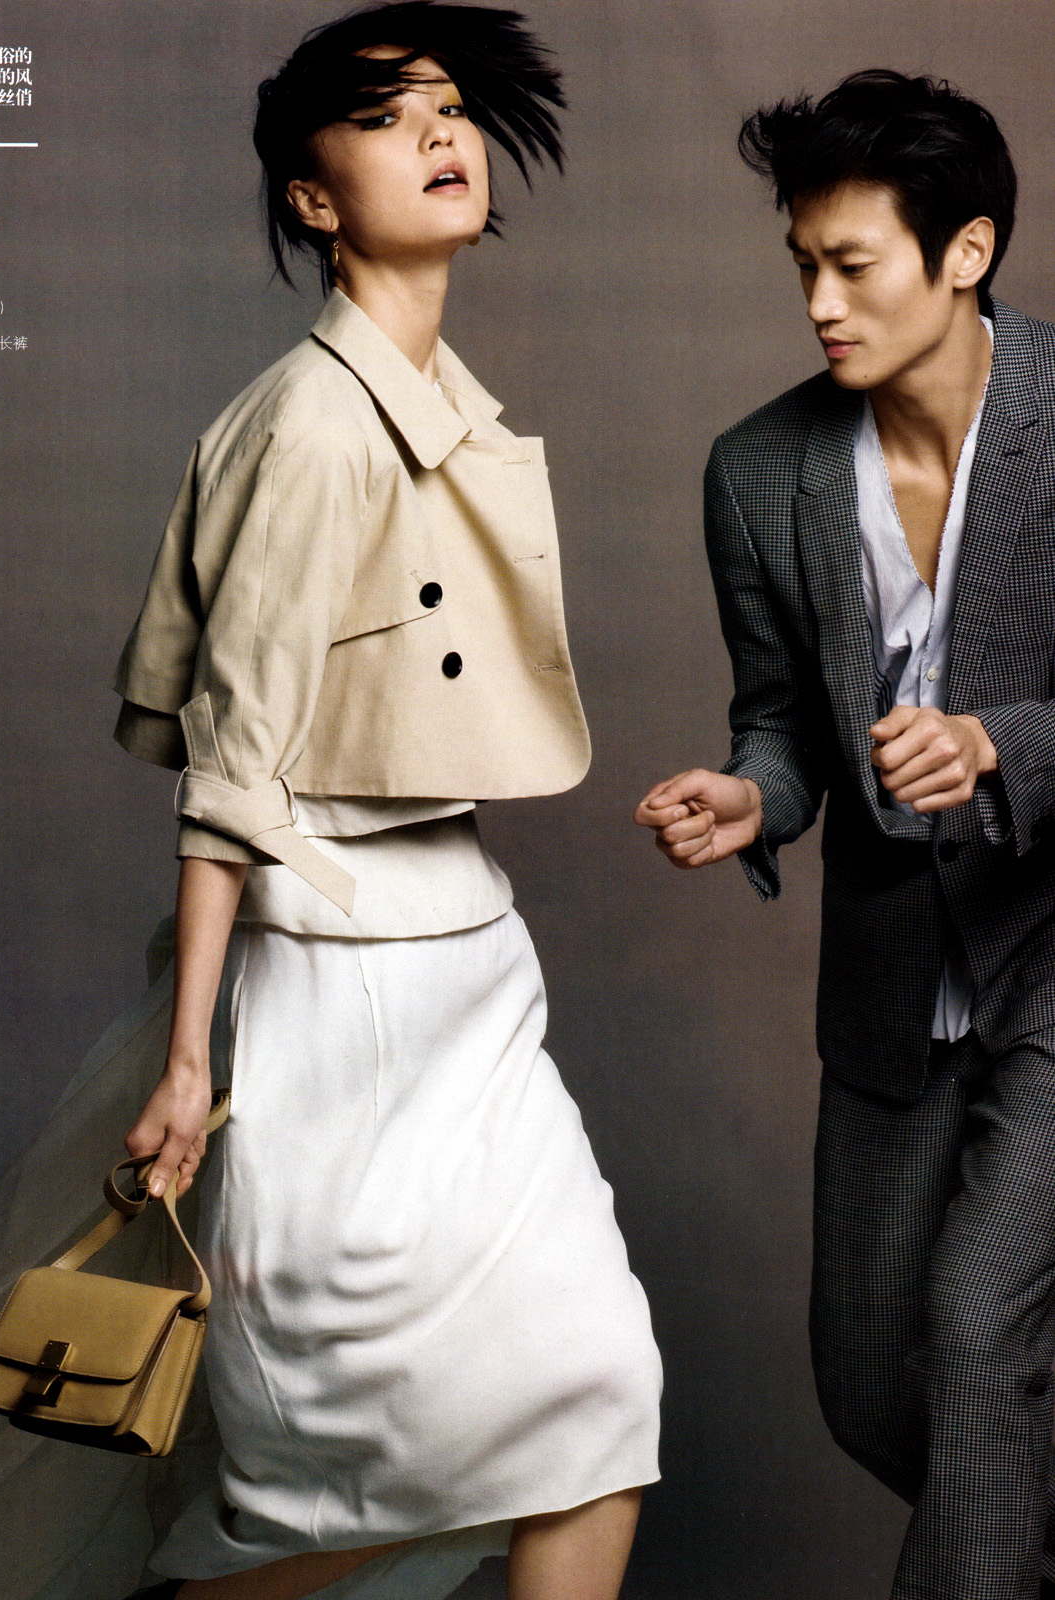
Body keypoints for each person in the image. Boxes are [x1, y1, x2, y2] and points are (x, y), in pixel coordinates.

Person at [0, 7, 660, 1600]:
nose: (440, 135)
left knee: (593, 1407)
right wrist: (186, 1063)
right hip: (337, 1004)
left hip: (476, 979)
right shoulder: (310, 429)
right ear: (312, 198)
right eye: (387, 120)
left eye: (450, 108)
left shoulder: (450, 410)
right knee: (359, 1484)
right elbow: (233, 768)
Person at [636, 67, 1055, 1600]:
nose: (818, 302)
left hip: (1051, 963)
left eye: (853, 264)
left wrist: (1000, 743)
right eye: (802, 265)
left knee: (979, 1330)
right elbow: (783, 725)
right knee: (872, 1383)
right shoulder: (760, 474)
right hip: (887, 994)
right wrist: (754, 794)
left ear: (966, 253)